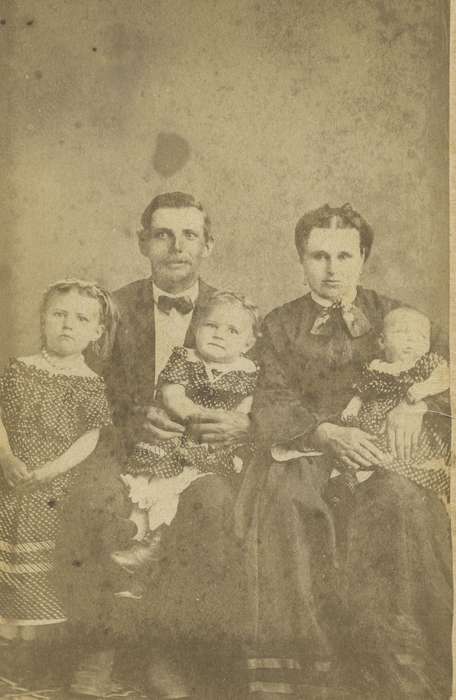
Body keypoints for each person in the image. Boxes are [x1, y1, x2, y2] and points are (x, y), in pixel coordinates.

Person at [235, 203, 451, 699]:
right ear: (301, 259)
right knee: (288, 504)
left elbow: (443, 373)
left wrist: (414, 405)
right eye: (318, 256)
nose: (332, 269)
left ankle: (391, 666)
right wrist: (322, 433)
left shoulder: (398, 316)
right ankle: (302, 674)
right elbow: (270, 395)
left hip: (383, 449)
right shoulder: (279, 324)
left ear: (364, 258)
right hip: (306, 448)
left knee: (396, 499)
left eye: (344, 256)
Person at [61, 192, 252, 699]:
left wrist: (240, 424)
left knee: (211, 504)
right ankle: (101, 650)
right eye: (163, 233)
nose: (176, 246)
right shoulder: (114, 309)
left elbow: (262, 392)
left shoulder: (229, 312)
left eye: (190, 234)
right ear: (143, 241)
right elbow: (81, 389)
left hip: (199, 457)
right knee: (91, 497)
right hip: (122, 450)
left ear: (208, 245)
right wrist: (131, 423)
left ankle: (174, 655)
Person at [0, 279, 114, 675]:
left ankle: (36, 646)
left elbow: (90, 437)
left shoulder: (89, 382)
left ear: (96, 332)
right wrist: (6, 457)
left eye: (81, 319)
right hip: (11, 471)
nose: (68, 325)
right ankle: (7, 640)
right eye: (59, 314)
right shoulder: (20, 369)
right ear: (44, 319)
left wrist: (49, 470)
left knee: (46, 537)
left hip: (53, 481)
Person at [113, 291, 260, 574]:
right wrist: (199, 416)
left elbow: (247, 410)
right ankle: (136, 540)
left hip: (215, 446)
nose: (219, 334)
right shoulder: (184, 358)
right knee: (151, 484)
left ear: (248, 342)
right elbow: (173, 397)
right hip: (176, 436)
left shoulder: (251, 372)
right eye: (211, 326)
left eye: (232, 330)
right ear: (195, 328)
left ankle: (155, 546)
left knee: (190, 491)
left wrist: (230, 422)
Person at [332, 306, 450, 499]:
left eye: (421, 337)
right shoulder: (376, 367)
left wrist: (421, 391)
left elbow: (445, 377)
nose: (411, 340)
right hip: (368, 425)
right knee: (358, 452)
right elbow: (363, 392)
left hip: (403, 430)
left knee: (397, 454)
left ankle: (377, 476)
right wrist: (352, 407)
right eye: (402, 333)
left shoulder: (424, 364)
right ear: (381, 341)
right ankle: (349, 480)